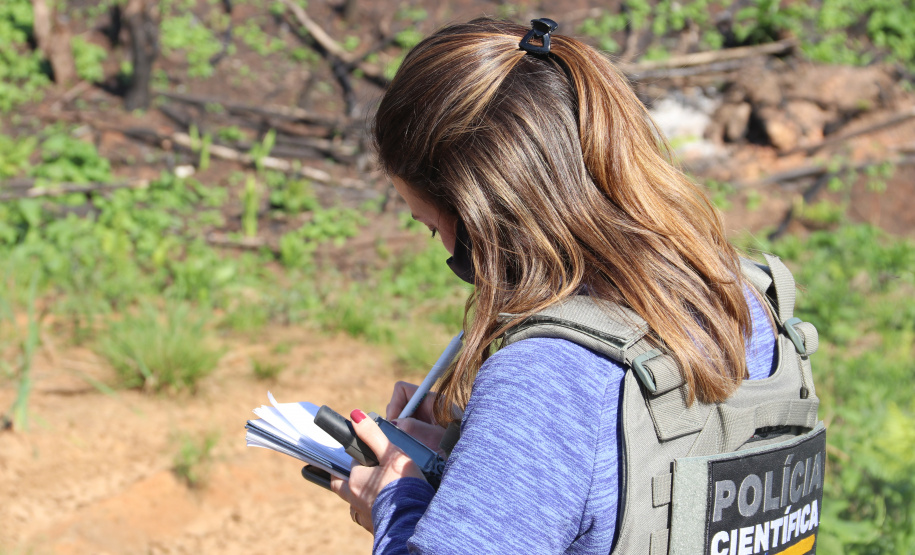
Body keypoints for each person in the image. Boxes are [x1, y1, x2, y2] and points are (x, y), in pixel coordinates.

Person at [328, 17, 812, 554]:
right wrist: (481, 454)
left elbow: (576, 430)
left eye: (432, 226)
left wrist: (394, 502)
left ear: (480, 219)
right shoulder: (746, 298)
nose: (444, 252)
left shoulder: (541, 378)